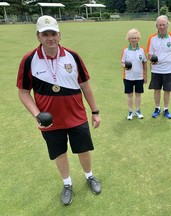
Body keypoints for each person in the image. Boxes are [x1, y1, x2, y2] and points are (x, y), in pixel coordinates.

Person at [16, 15, 102, 205]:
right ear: (38, 36)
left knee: (84, 150)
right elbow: (23, 92)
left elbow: (85, 86)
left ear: (59, 35)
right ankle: (67, 183)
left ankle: (89, 176)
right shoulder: (29, 60)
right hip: (50, 121)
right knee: (59, 153)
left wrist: (95, 111)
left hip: (77, 116)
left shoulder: (73, 56)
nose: (50, 38)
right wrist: (37, 114)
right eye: (45, 34)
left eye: (53, 33)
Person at [146, 15, 171, 119]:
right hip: (156, 70)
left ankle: (166, 109)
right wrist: (152, 59)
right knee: (156, 90)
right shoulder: (152, 38)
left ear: (167, 25)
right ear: (156, 26)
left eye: (164, 25)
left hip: (169, 70)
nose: (162, 27)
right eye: (160, 25)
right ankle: (157, 108)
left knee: (167, 90)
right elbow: (149, 55)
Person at [120, 28, 147, 120]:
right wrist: (125, 66)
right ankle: (131, 111)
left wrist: (145, 75)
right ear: (129, 39)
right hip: (128, 77)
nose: (134, 40)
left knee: (138, 95)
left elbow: (144, 62)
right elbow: (122, 62)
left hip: (139, 76)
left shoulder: (142, 50)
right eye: (132, 38)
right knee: (130, 95)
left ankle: (138, 111)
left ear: (138, 39)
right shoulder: (125, 50)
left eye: (135, 38)